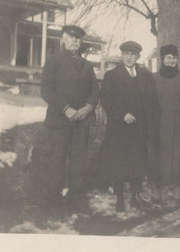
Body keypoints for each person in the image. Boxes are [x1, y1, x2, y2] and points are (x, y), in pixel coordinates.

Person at [40, 25, 99, 208]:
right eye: (71, 37)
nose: (75, 41)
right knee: (56, 160)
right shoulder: (53, 61)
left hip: (82, 121)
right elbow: (46, 91)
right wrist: (66, 109)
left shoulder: (87, 65)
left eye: (78, 38)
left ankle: (75, 198)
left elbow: (95, 91)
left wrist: (87, 108)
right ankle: (53, 200)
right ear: (63, 40)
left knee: (79, 162)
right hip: (59, 121)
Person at [100, 41, 159, 212]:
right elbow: (107, 100)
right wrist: (122, 114)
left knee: (138, 163)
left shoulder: (146, 75)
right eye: (126, 54)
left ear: (138, 56)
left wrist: (149, 122)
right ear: (121, 55)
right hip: (119, 128)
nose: (129, 57)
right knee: (119, 162)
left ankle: (135, 195)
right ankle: (119, 197)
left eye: (133, 54)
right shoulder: (112, 75)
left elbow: (152, 100)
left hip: (139, 129)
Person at [153, 44, 180, 201]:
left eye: (174, 58)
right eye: (168, 58)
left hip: (179, 118)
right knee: (162, 150)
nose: (172, 61)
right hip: (160, 119)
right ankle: (162, 184)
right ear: (162, 59)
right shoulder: (154, 78)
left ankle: (175, 183)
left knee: (177, 151)